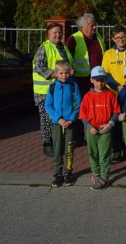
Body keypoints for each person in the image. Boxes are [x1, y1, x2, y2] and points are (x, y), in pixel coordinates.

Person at [32, 22, 74, 157]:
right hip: (44, 91)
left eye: (59, 32)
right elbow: (38, 67)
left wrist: (71, 70)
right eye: (55, 32)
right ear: (48, 35)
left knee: (56, 117)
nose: (58, 35)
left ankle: (57, 143)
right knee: (46, 118)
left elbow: (67, 64)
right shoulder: (44, 48)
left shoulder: (63, 47)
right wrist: (53, 74)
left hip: (58, 89)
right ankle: (47, 145)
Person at [102, 25, 126, 163]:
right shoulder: (108, 54)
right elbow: (106, 74)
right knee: (116, 121)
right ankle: (117, 149)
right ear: (113, 39)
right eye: (117, 38)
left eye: (123, 37)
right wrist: (117, 86)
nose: (121, 40)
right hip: (114, 92)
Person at [66, 13, 105, 146]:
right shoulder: (74, 39)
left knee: (95, 108)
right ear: (83, 27)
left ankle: (94, 134)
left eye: (95, 25)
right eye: (91, 25)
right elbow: (67, 58)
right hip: (80, 80)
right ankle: (78, 137)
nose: (94, 28)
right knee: (79, 108)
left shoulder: (98, 37)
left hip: (96, 80)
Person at [79, 66, 120, 191]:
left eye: (102, 80)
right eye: (97, 80)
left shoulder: (110, 94)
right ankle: (96, 173)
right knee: (93, 153)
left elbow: (116, 112)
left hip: (105, 129)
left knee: (105, 154)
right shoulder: (87, 96)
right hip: (91, 129)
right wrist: (89, 127)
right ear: (91, 80)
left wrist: (110, 124)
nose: (100, 83)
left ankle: (104, 177)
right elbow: (83, 115)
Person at [44, 60, 81, 187]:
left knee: (69, 149)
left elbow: (78, 105)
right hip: (57, 123)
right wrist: (59, 119)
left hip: (70, 123)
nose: (64, 75)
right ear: (56, 73)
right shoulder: (52, 87)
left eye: (66, 73)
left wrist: (71, 119)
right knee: (58, 149)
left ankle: (68, 172)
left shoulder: (73, 86)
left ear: (70, 72)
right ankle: (58, 173)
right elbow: (48, 105)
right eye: (61, 73)